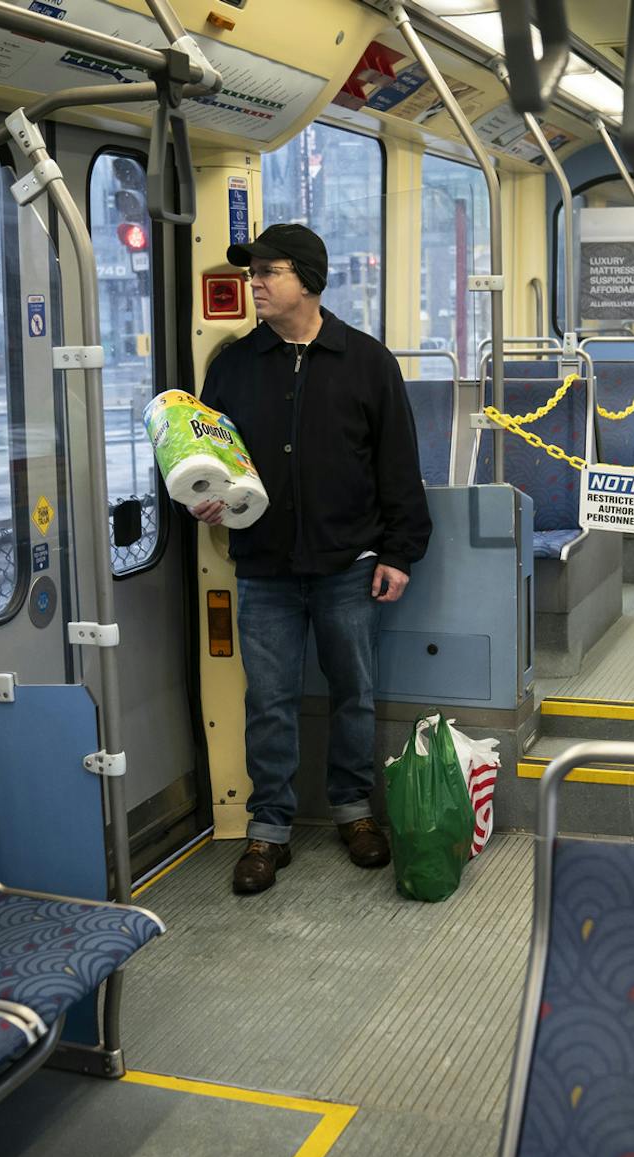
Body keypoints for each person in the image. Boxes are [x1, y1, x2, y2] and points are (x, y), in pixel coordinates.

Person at [191, 223, 432, 894]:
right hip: (264, 566)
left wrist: (400, 552)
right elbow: (202, 456)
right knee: (269, 700)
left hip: (349, 564)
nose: (254, 285)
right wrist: (202, 497)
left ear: (307, 280)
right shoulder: (234, 366)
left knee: (353, 695)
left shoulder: (366, 363)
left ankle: (354, 812)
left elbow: (397, 467)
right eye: (252, 274)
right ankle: (269, 827)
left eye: (267, 272)